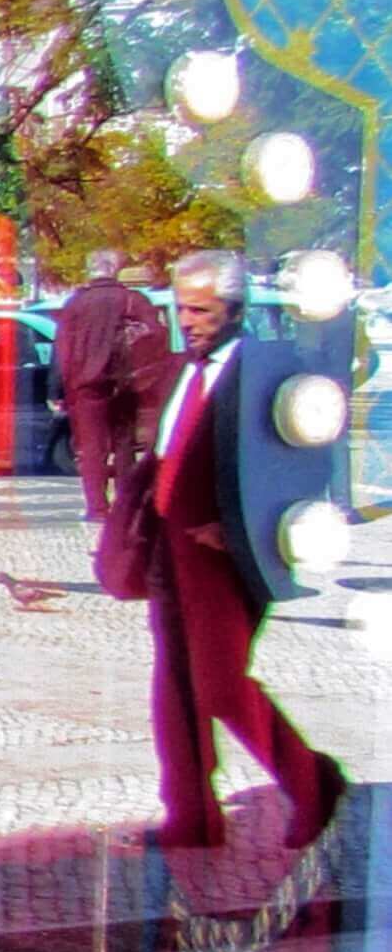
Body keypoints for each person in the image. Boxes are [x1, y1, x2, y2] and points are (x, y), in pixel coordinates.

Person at [141, 249, 342, 851]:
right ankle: (192, 816)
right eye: (181, 309)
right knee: (174, 686)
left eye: (200, 311)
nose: (188, 321)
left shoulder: (269, 369)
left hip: (227, 557)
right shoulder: (184, 368)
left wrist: (243, 528)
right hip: (167, 547)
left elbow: (308, 458)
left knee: (221, 684)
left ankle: (312, 782)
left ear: (233, 311)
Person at [53, 248, 170, 519]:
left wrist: (57, 389)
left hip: (85, 386)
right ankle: (126, 504)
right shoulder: (133, 300)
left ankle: (96, 507)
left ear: (91, 271)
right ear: (115, 269)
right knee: (125, 445)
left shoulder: (75, 304)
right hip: (126, 382)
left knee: (91, 448)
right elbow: (157, 337)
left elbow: (62, 351)